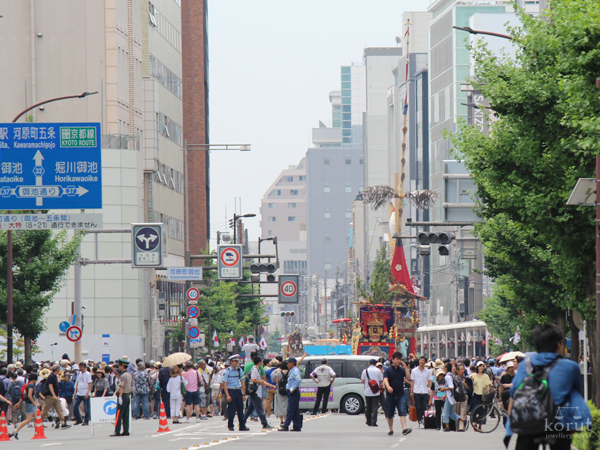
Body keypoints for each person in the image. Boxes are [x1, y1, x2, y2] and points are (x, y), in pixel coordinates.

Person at [510, 323, 591, 450]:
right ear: (559, 344)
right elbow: (576, 394)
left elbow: (514, 392)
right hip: (559, 421)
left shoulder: (526, 365)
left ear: (537, 345)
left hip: (530, 420)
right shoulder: (570, 367)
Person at [383, 352, 412, 436]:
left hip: (400, 394)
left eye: (400, 359)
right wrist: (388, 387)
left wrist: (405, 367)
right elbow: (385, 379)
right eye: (397, 359)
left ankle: (404, 429)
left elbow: (408, 377)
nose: (399, 361)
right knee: (390, 414)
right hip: (390, 395)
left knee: (402, 411)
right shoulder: (388, 370)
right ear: (393, 360)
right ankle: (391, 429)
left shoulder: (402, 370)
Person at [243, 356, 275, 429]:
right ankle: (265, 424)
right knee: (260, 409)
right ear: (259, 362)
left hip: (256, 392)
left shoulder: (258, 369)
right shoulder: (254, 369)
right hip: (255, 392)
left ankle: (242, 421)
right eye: (261, 360)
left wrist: (271, 386)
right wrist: (261, 381)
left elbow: (262, 381)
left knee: (250, 409)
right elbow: (253, 379)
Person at [278, 353, 307, 432]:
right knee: (295, 410)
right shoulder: (292, 370)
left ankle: (286, 425)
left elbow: (298, 380)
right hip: (292, 392)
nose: (287, 364)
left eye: (288, 363)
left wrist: (293, 388)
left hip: (293, 393)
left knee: (290, 409)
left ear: (292, 363)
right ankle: (297, 426)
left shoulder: (295, 371)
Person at [222, 355, 249, 432]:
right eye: (235, 361)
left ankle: (242, 425)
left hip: (238, 391)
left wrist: (243, 394)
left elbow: (243, 382)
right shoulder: (227, 371)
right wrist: (227, 395)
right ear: (231, 362)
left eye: (237, 361)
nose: (237, 363)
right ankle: (230, 425)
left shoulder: (239, 370)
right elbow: (225, 384)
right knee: (231, 409)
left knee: (240, 409)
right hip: (231, 390)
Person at [40, 365, 71, 429]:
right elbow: (50, 386)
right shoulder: (51, 376)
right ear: (57, 370)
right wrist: (54, 395)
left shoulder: (54, 376)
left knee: (59, 409)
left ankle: (63, 423)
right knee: (45, 410)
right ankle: (38, 423)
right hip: (50, 396)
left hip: (55, 396)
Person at [12, 373, 40, 440]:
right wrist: (35, 404)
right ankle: (15, 431)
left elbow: (25, 395)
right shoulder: (31, 385)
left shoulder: (27, 385)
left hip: (29, 403)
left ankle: (37, 432)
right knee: (28, 420)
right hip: (30, 404)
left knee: (37, 418)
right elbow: (29, 395)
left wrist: (19, 402)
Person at [111, 358, 132, 437]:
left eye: (119, 366)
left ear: (122, 366)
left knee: (119, 414)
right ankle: (126, 430)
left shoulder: (123, 375)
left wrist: (120, 397)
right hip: (127, 395)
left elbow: (121, 387)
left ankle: (117, 431)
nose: (118, 368)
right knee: (126, 414)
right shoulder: (129, 374)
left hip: (123, 395)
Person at [410, 356, 431, 429]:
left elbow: (429, 381)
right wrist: (411, 391)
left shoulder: (428, 371)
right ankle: (420, 421)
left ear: (425, 362)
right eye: (420, 360)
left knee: (424, 406)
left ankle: (423, 419)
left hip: (425, 391)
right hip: (417, 391)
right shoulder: (414, 371)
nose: (421, 361)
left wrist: (432, 389)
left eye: (423, 360)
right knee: (418, 407)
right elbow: (412, 381)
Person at [361, 359, 383, 427]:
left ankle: (368, 421)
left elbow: (363, 381)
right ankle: (374, 422)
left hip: (367, 391)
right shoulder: (378, 370)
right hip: (376, 391)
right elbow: (381, 380)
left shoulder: (365, 371)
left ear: (369, 363)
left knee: (368, 407)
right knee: (375, 407)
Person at [498, 360, 515, 427]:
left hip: (513, 394)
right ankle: (505, 422)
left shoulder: (516, 376)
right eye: (510, 367)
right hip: (505, 395)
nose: (512, 369)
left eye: (512, 367)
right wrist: (500, 396)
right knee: (505, 409)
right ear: (508, 368)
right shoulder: (504, 376)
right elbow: (501, 387)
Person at [274, 361, 289, 426]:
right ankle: (286, 420)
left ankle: (281, 421)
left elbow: (277, 382)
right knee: (286, 405)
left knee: (280, 405)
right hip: (287, 390)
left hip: (280, 391)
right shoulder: (290, 372)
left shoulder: (279, 373)